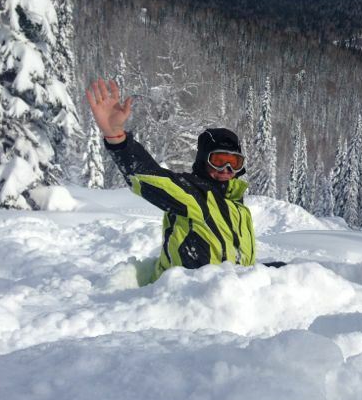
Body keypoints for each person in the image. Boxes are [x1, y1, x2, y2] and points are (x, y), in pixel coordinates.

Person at [86, 78, 256, 285]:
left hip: (228, 299)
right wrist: (117, 139)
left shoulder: (238, 207)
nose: (227, 170)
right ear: (203, 161)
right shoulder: (193, 194)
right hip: (184, 297)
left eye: (234, 162)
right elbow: (149, 177)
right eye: (219, 161)